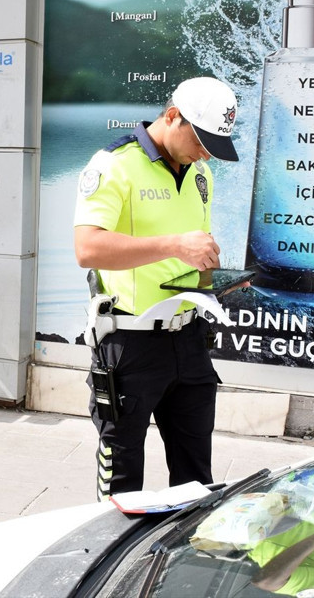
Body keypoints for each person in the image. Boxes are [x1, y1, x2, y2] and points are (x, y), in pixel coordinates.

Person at [73, 76, 241, 500]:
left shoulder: (200, 173)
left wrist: (212, 281)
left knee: (196, 478)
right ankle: (112, 564)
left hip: (188, 339)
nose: (206, 154)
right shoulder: (113, 164)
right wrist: (174, 246)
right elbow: (87, 248)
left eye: (214, 146)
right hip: (130, 344)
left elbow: (194, 254)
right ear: (172, 116)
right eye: (202, 141)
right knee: (122, 477)